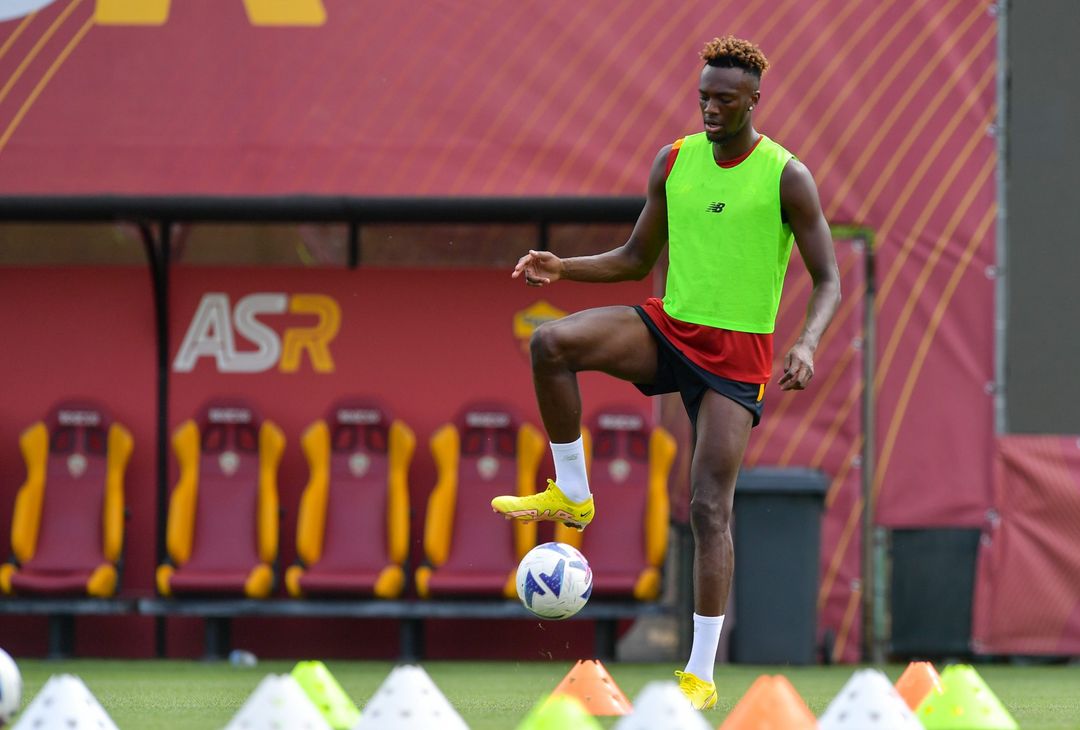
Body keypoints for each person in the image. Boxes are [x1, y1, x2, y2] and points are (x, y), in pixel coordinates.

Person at [491, 36, 841, 709]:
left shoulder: (786, 175)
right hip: (671, 329)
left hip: (737, 358)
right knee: (552, 343)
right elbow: (633, 257)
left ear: (754, 100)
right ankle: (573, 492)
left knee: (708, 507)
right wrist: (565, 267)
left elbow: (828, 279)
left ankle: (700, 673)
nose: (710, 108)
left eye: (725, 99)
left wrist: (806, 343)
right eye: (704, 96)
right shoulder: (674, 160)